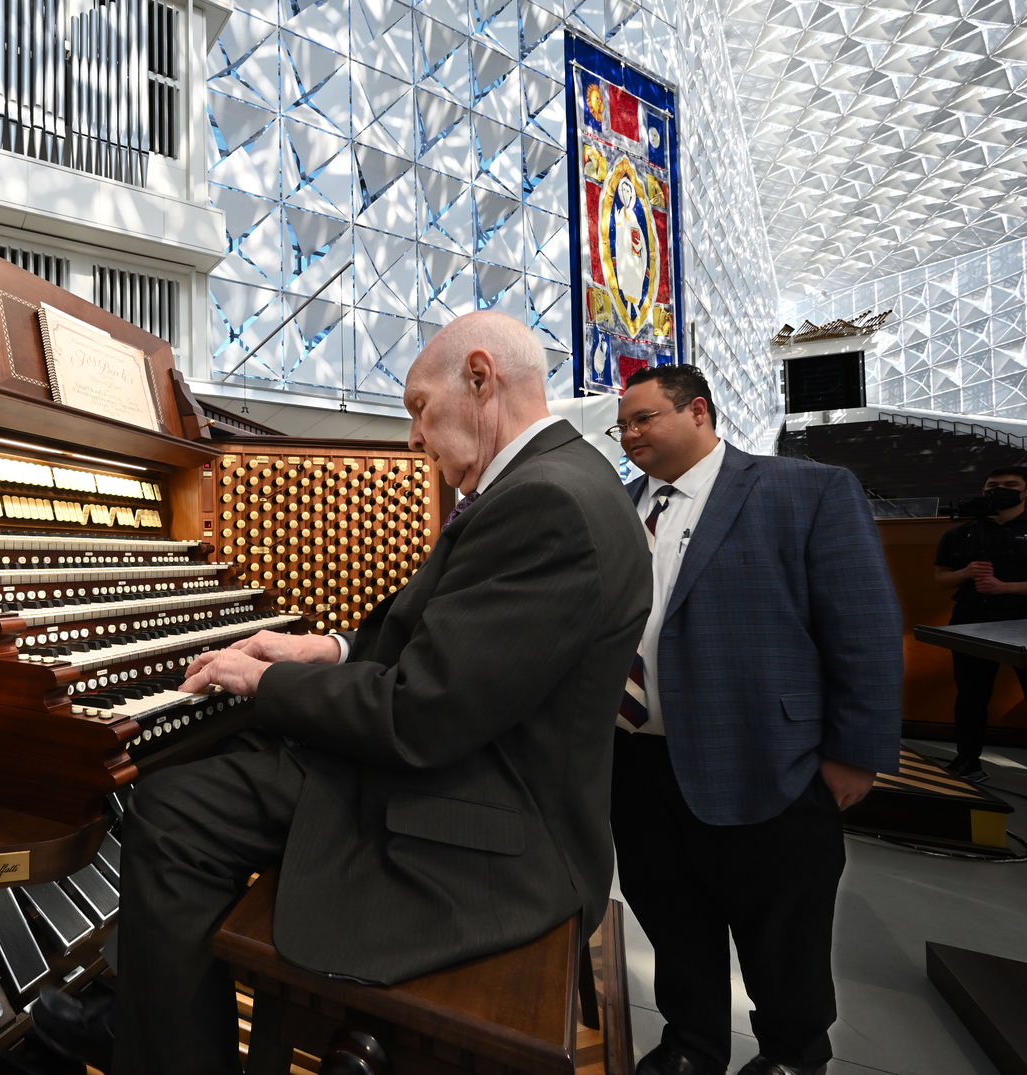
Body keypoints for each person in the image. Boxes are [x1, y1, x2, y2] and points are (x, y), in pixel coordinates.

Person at [33, 311, 653, 1075]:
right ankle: (138, 999)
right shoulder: (555, 479)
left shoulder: (546, 501)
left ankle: (161, 1046)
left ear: (481, 378)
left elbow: (419, 712)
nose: (412, 439)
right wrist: (327, 649)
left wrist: (266, 681)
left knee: (172, 811)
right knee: (229, 747)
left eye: (418, 409)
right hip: (486, 766)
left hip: (485, 829)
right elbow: (453, 649)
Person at [609, 366, 903, 1075]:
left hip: (769, 757)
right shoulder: (614, 506)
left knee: (782, 930)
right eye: (623, 424)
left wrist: (854, 752)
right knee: (671, 914)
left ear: (699, 411)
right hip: (638, 762)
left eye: (644, 417)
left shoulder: (803, 491)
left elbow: (861, 626)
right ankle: (690, 1042)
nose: (630, 433)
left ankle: (793, 1054)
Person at [933, 465, 1027, 782]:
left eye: (1011, 484)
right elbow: (941, 577)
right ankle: (967, 762)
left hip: (1022, 623)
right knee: (971, 696)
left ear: (1025, 491)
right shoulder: (961, 533)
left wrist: (1007, 588)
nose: (1000, 489)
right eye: (992, 485)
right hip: (971, 623)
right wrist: (965, 573)